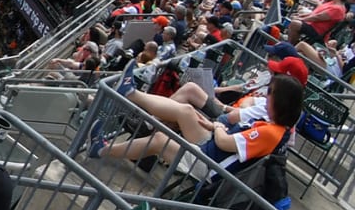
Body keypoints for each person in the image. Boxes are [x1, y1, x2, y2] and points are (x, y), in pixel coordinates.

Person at [95, 73, 304, 168]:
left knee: (161, 137)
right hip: (212, 149)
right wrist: (214, 126)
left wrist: (218, 127)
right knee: (186, 111)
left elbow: (225, 142)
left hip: (209, 163)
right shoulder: (275, 128)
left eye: (271, 94)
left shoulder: (271, 133)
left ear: (281, 102)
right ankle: (131, 93)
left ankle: (102, 149)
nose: (266, 97)